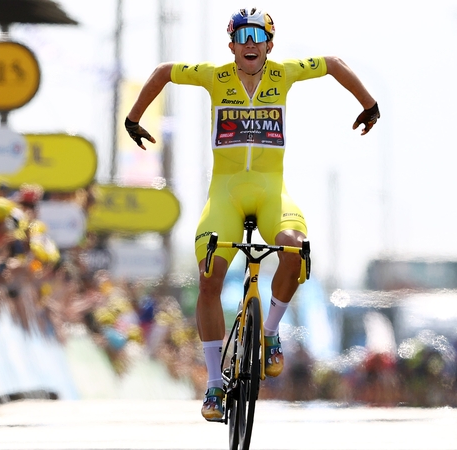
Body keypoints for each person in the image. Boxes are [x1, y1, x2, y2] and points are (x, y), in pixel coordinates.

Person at [125, 7, 379, 421]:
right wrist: (134, 118)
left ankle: (270, 333)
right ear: (231, 45)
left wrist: (368, 104)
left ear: (269, 44)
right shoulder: (214, 75)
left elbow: (333, 64)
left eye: (256, 35)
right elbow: (164, 71)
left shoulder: (284, 73)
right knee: (209, 279)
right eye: (241, 35)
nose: (249, 42)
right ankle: (212, 386)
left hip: (270, 192)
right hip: (224, 195)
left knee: (295, 250)